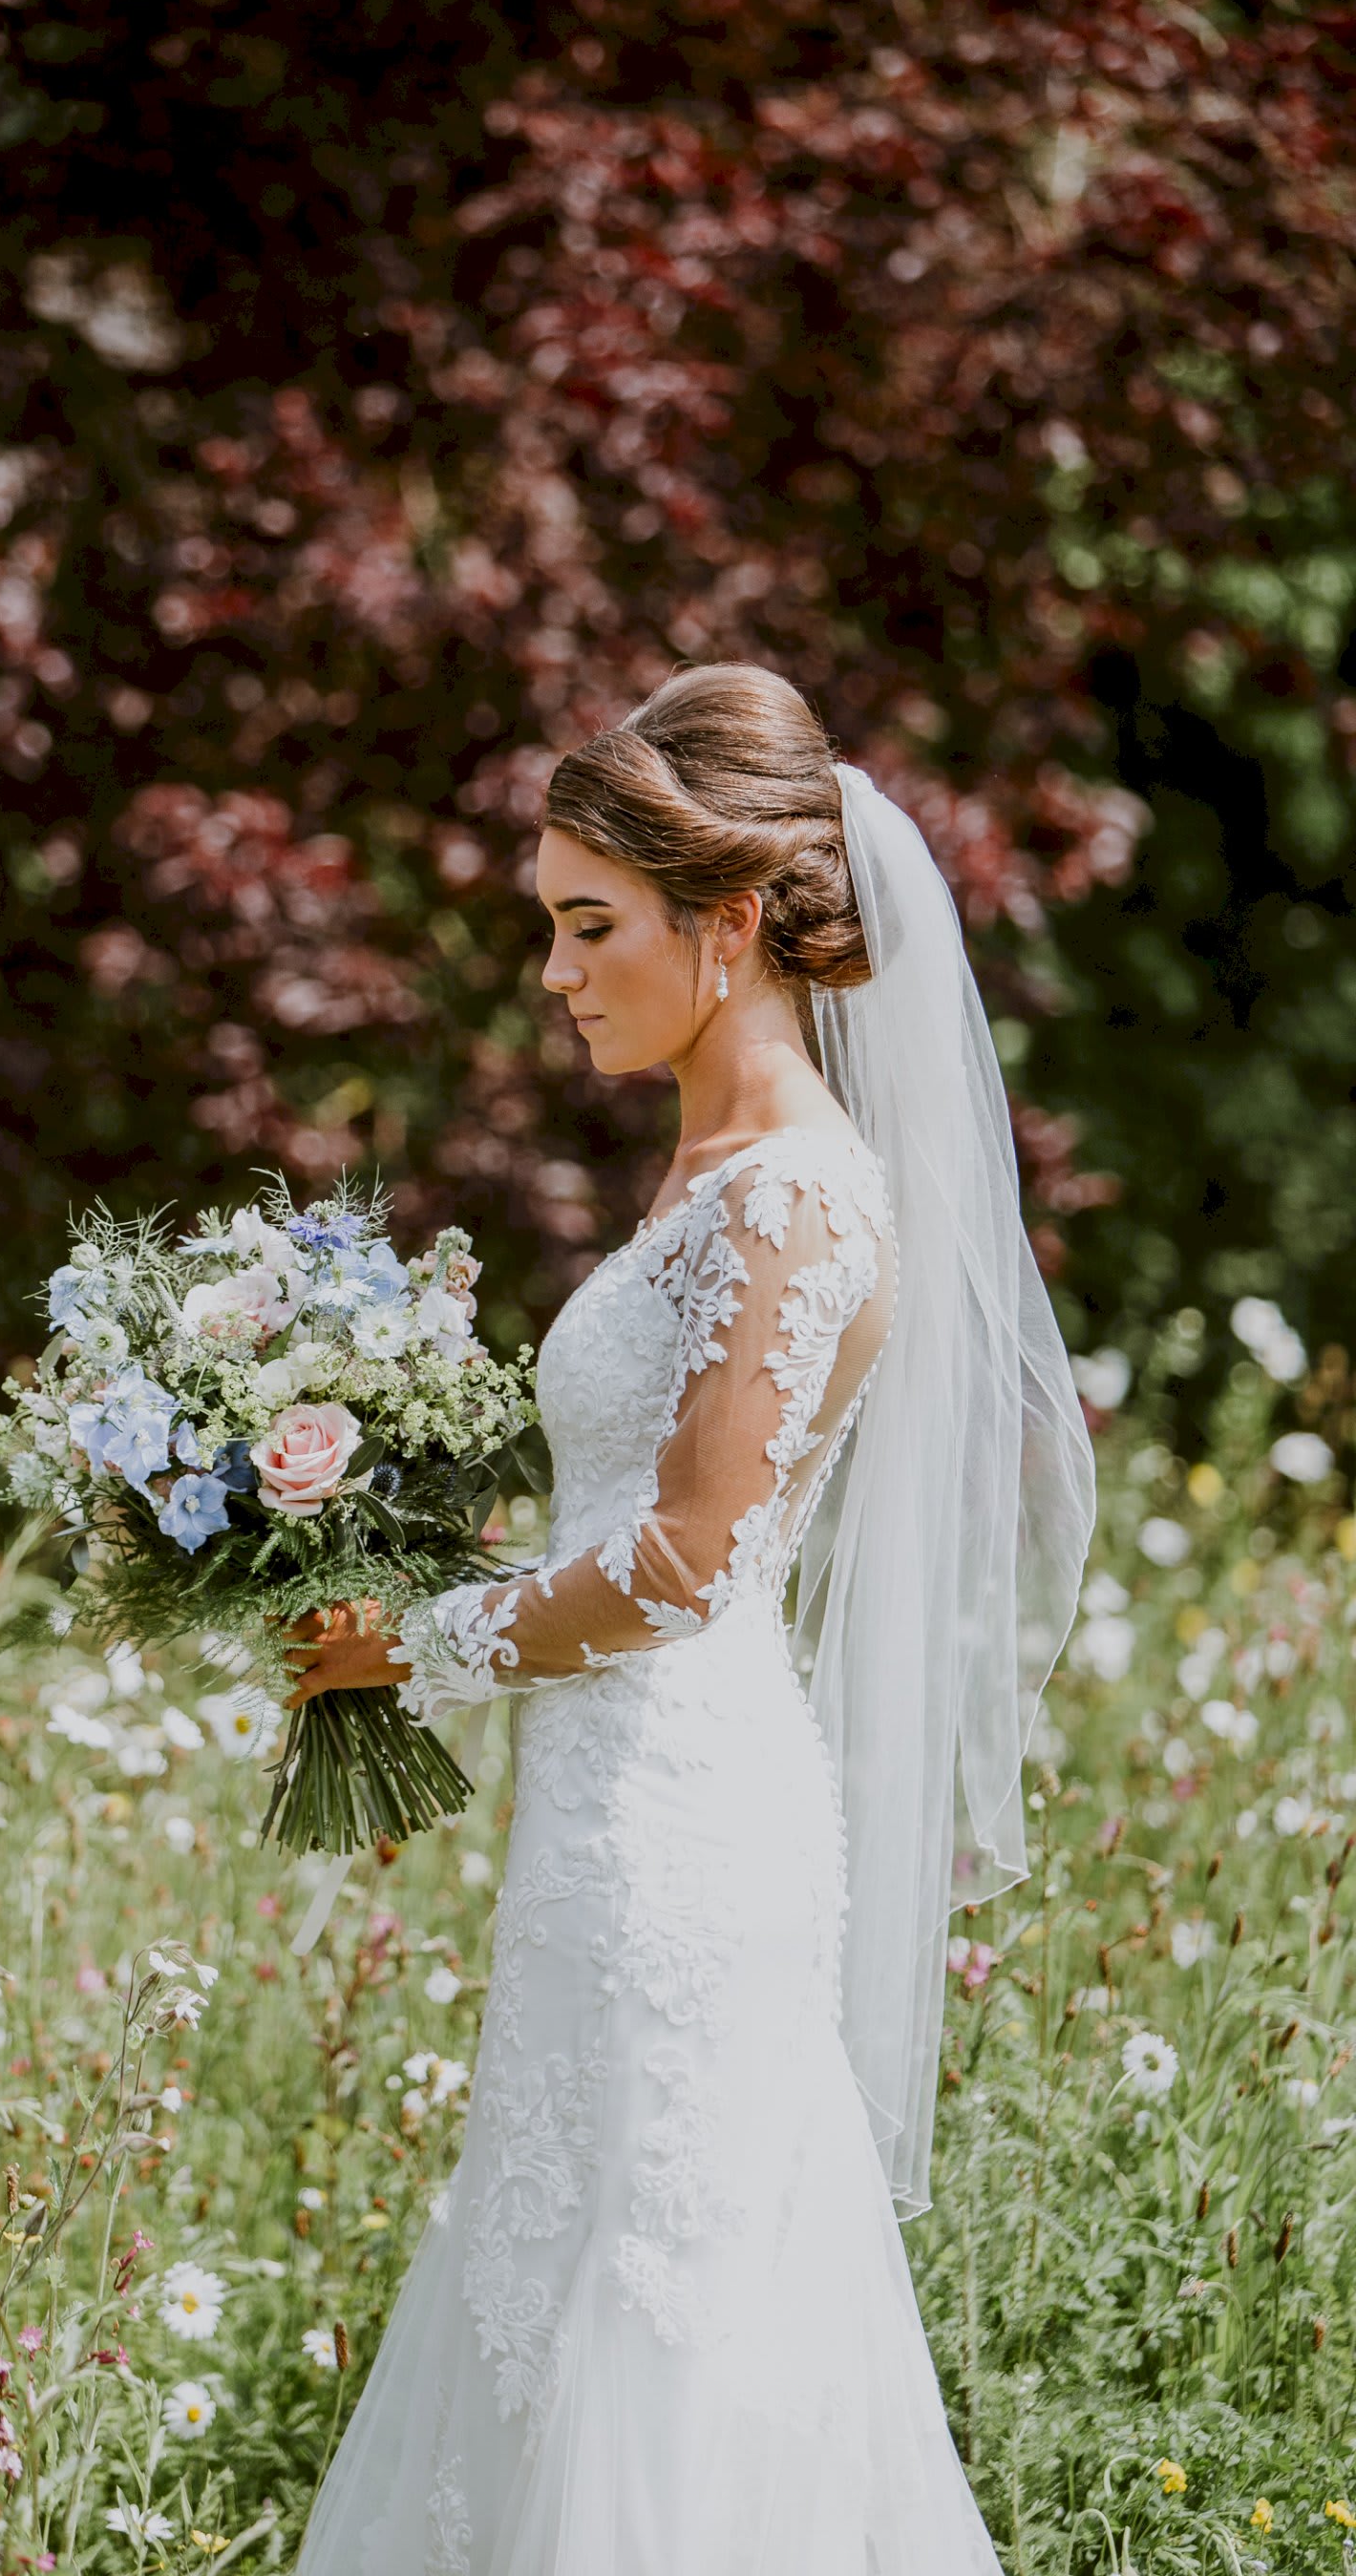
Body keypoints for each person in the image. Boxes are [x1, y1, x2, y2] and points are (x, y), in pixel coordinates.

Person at [281, 661, 1094, 2575]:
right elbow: (621, 1498)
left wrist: (409, 1650)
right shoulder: (700, 1184)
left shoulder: (799, 1204)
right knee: (549, 2291)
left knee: (661, 2317)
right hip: (601, 1820)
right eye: (546, 928)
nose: (556, 972)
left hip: (682, 1837)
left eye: (590, 924)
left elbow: (690, 1564)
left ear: (727, 927)